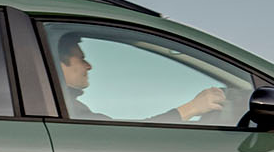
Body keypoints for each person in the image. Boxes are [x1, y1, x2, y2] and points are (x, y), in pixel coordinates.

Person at [56, 33, 228, 123]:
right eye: (81, 58)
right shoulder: (68, 109)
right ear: (59, 63)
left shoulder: (64, 107)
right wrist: (192, 108)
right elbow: (120, 139)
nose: (89, 66)